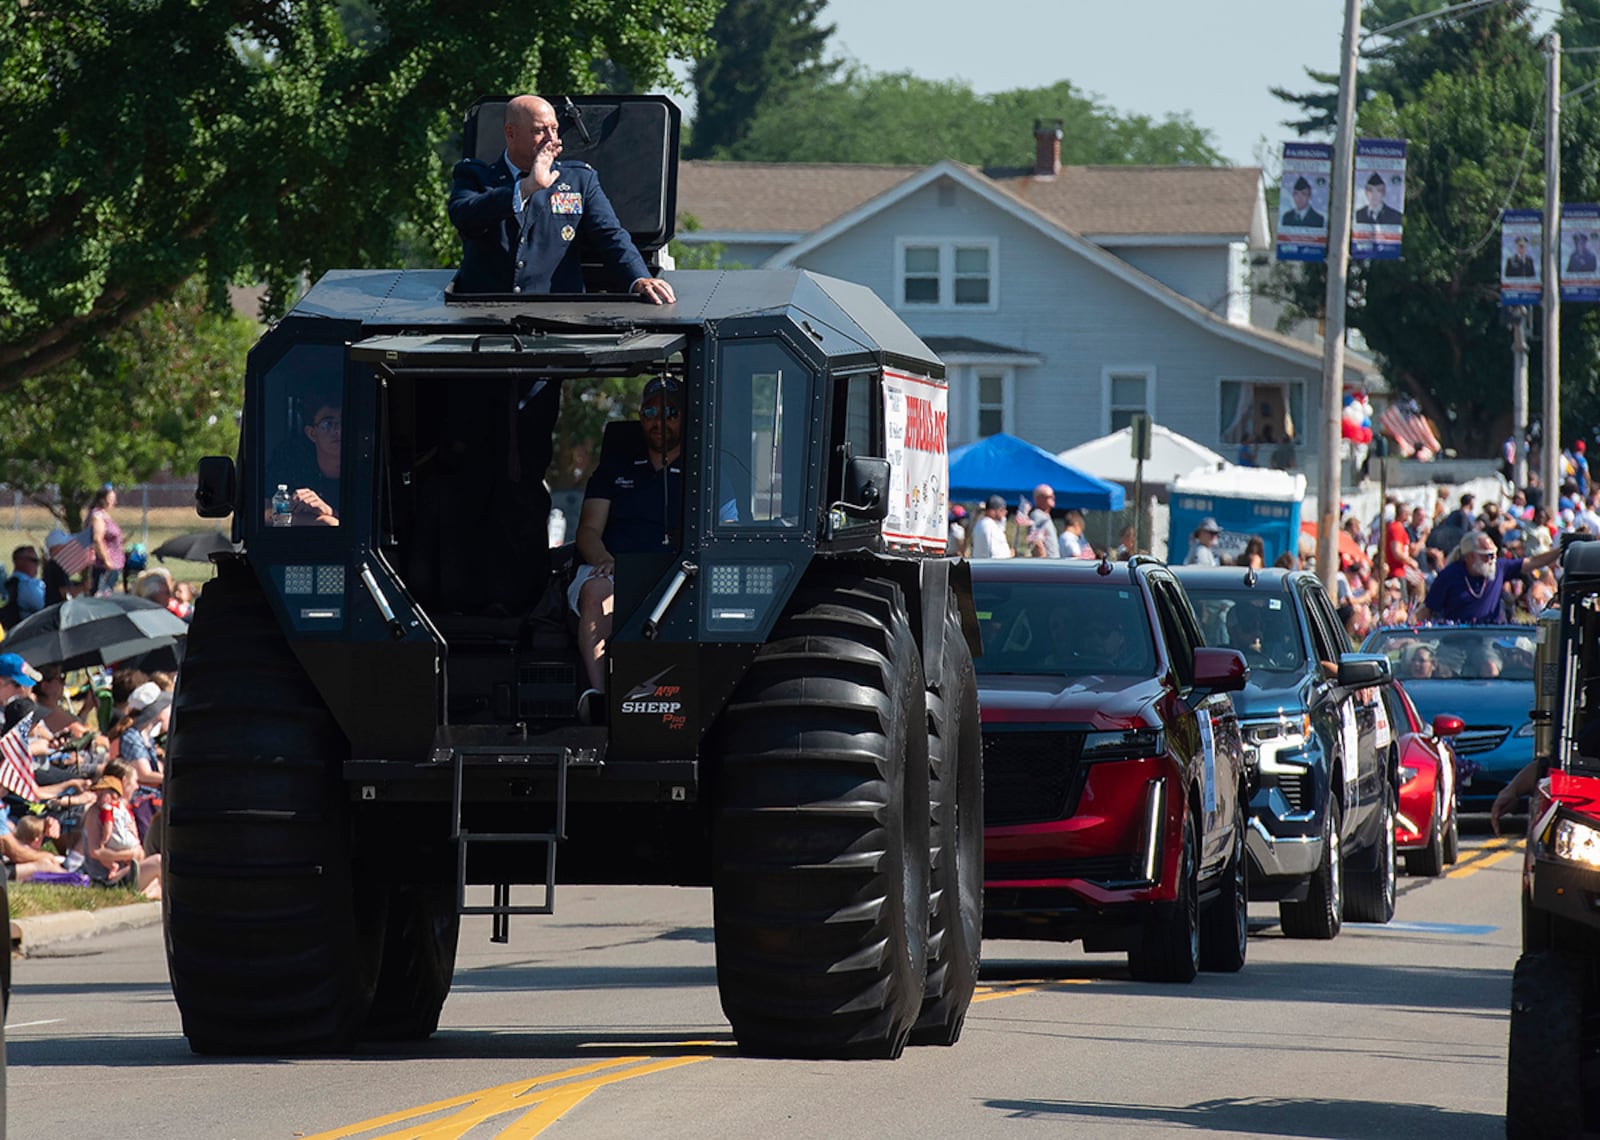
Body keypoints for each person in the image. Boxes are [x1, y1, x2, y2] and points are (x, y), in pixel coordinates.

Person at [569, 378, 734, 722]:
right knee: (596, 592)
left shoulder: (708, 472)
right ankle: (602, 699)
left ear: (686, 417)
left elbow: (728, 531)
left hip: (683, 574)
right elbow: (587, 531)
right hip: (616, 571)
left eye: (671, 412)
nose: (660, 421)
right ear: (641, 418)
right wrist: (604, 561)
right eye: (651, 412)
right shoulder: (614, 470)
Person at [449, 95, 674, 304]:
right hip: (485, 313)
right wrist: (525, 188)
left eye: (554, 129)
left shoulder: (579, 180)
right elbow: (464, 215)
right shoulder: (476, 175)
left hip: (557, 312)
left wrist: (639, 279)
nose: (551, 138)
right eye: (539, 130)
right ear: (511, 133)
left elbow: (610, 236)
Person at [1415, 532, 1561, 625]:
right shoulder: (1449, 575)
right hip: (1454, 639)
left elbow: (1533, 562)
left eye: (1495, 554)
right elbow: (1428, 609)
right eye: (1488, 555)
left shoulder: (1499, 568)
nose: (1493, 559)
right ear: (1471, 556)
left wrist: (1562, 549)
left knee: (1491, 668)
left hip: (1487, 638)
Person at [269, 382, 342, 526]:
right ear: (311, 433)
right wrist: (324, 522)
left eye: (344, 422)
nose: (338, 431)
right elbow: (266, 514)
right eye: (328, 424)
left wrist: (330, 513)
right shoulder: (291, 461)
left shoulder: (369, 468)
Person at [87, 484, 125, 595]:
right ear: (102, 499)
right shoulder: (98, 515)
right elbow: (97, 539)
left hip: (114, 565)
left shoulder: (104, 514)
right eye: (110, 499)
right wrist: (107, 561)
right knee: (102, 596)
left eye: (113, 499)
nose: (113, 502)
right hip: (104, 567)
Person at [0, 545, 45, 630]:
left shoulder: (17, 583)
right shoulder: (25, 585)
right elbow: (48, 605)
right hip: (34, 633)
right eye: (34, 561)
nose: (37, 565)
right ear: (20, 561)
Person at [969, 495, 1014, 560]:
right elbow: (995, 555)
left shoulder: (982, 524)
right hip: (991, 567)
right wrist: (1009, 554)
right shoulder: (989, 526)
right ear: (992, 511)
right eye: (1001, 510)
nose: (1005, 512)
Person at [1027, 485, 1062, 558]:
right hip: (1048, 563)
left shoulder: (1045, 516)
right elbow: (1036, 541)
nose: (1053, 498)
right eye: (1049, 496)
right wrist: (1043, 560)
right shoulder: (1038, 515)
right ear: (1039, 499)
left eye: (1053, 495)